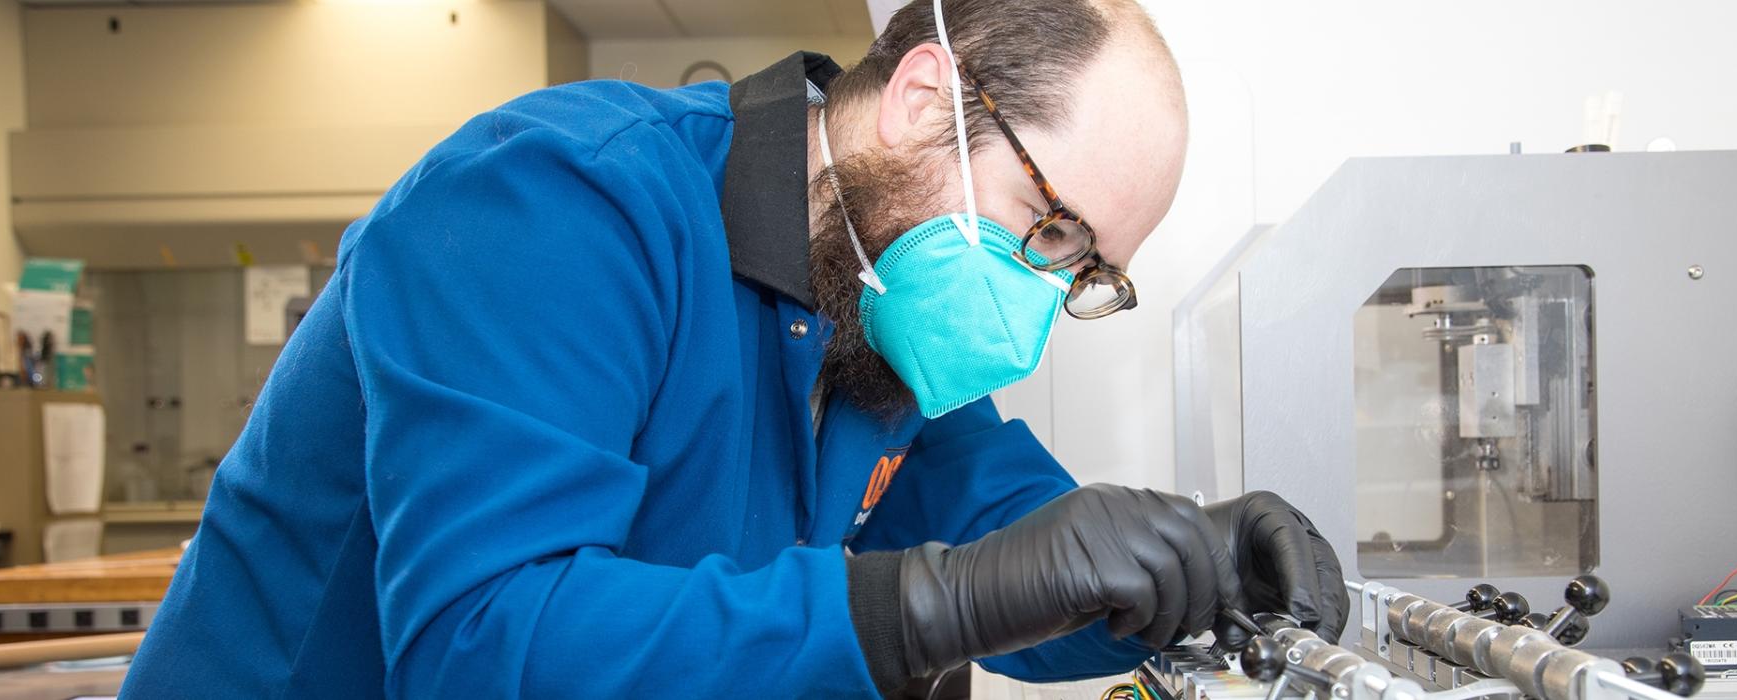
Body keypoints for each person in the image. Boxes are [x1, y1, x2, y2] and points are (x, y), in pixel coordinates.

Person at [120, 0, 1346, 696]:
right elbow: (485, 642)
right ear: (927, 97)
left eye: (1087, 273)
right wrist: (923, 602)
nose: (1044, 293)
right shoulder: (554, 204)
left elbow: (1015, 547)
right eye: (1051, 227)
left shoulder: (879, 309)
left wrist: (1192, 559)